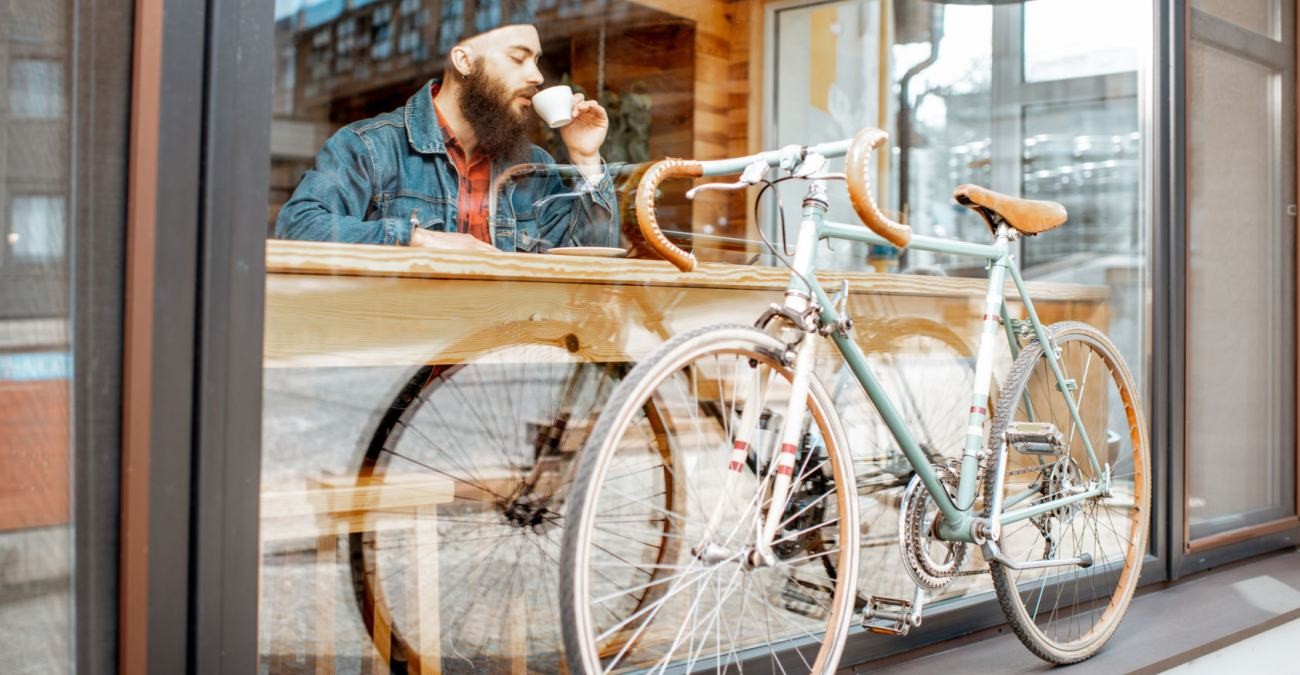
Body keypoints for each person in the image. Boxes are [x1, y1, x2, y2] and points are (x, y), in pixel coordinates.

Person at [275, 23, 618, 253]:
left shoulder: (533, 165)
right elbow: (298, 227)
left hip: (505, 359)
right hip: (408, 357)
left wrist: (585, 159)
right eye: (518, 58)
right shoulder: (369, 146)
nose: (537, 75)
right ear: (464, 61)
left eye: (537, 60)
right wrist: (421, 239)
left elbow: (587, 261)